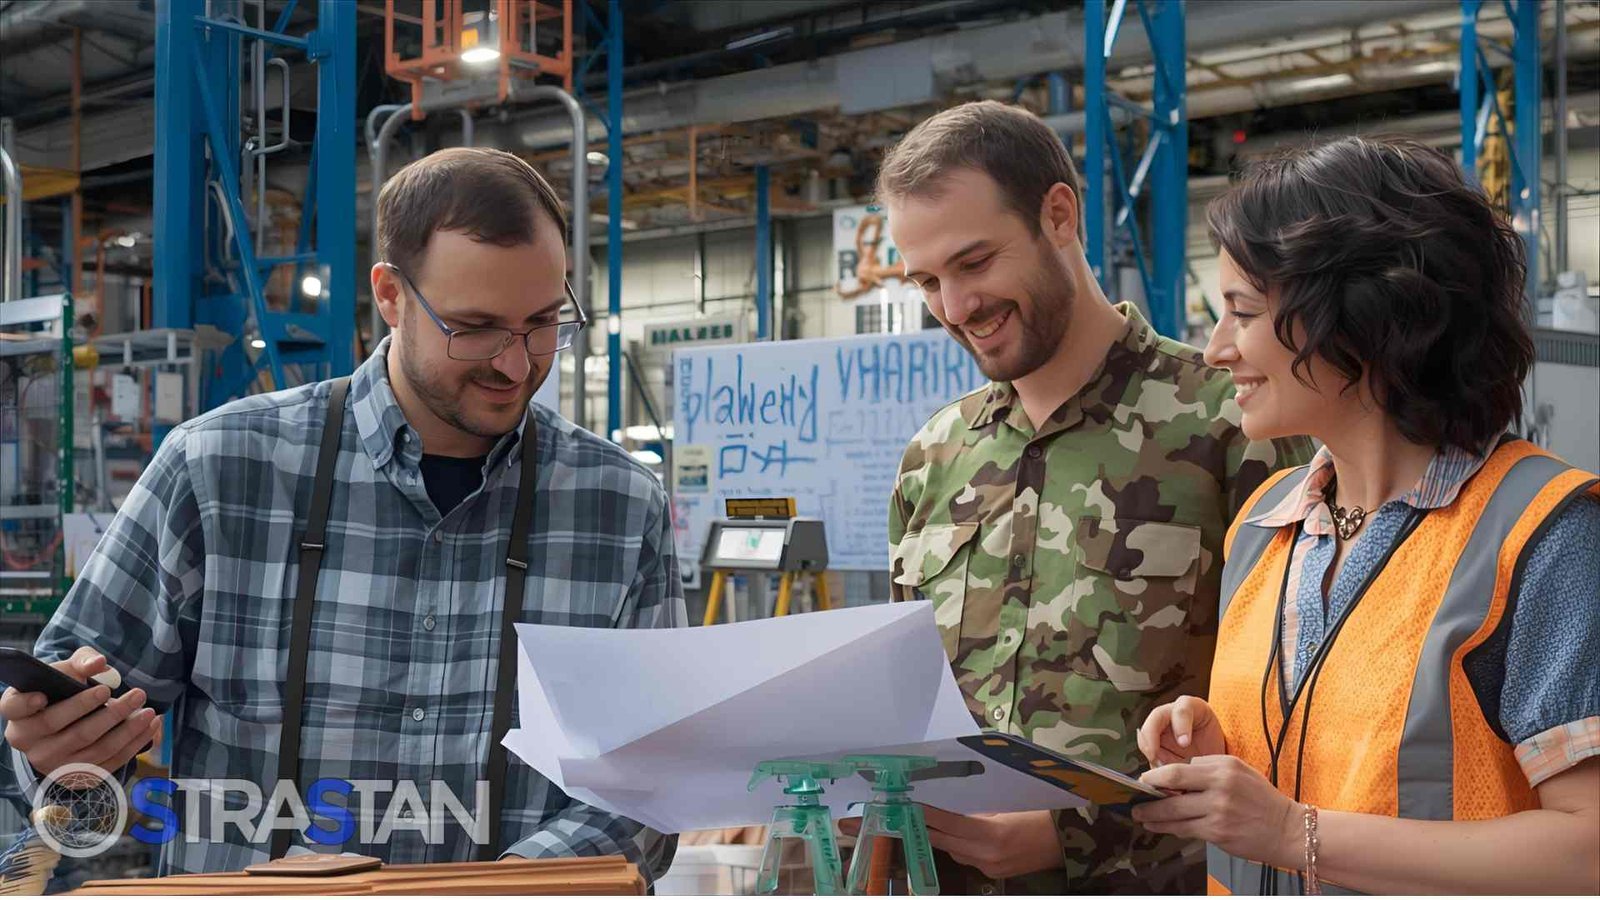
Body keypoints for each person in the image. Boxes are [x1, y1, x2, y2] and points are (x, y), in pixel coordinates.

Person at [0, 148, 686, 878]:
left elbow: (648, 783)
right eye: (475, 328)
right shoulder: (219, 472)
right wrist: (54, 753)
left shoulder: (619, 508)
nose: (517, 365)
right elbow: (57, 742)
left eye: (543, 323)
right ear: (390, 296)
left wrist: (491, 893)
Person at [866, 99, 1313, 894]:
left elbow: (1294, 728)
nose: (956, 308)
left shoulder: (1232, 427)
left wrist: (1077, 838)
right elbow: (905, 709)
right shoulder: (934, 457)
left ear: (1060, 215)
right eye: (928, 281)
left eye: (974, 264)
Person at [1133, 136, 1599, 895]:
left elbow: (1588, 853)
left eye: (1242, 313)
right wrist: (1226, 756)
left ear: (1362, 321)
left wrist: (1292, 833)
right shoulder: (1264, 526)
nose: (1216, 349)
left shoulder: (1543, 534)